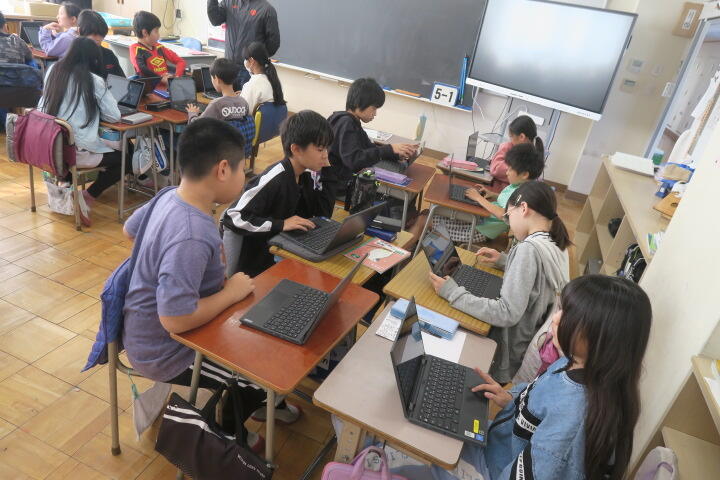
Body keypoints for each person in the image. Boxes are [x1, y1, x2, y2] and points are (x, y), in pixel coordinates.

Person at [122, 118, 300, 450]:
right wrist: (231, 292)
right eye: (243, 170)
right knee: (264, 378)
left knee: (260, 342)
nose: (245, 177)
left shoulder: (168, 195)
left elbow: (130, 230)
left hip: (150, 328)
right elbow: (174, 319)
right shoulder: (193, 233)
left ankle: (253, 406)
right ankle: (229, 433)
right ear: (222, 170)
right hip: (166, 351)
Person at [394, 274, 652, 480]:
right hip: (499, 444)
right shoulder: (574, 362)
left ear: (602, 339)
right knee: (430, 418)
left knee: (407, 443)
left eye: (569, 316)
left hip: (493, 469)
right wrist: (510, 399)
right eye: (561, 309)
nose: (556, 318)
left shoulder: (573, 416)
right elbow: (540, 395)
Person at [429, 181, 571, 384]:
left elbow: (506, 313)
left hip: (505, 351)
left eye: (508, 216)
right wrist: (506, 260)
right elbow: (538, 279)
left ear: (523, 208)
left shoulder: (528, 250)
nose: (509, 224)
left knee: (440, 320)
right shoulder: (556, 240)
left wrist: (452, 292)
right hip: (526, 337)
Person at [221, 110, 335, 277]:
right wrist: (280, 224)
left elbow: (323, 215)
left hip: (282, 252)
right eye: (320, 149)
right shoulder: (275, 178)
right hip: (258, 266)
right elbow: (233, 216)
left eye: (326, 148)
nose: (325, 155)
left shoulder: (306, 176)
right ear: (296, 149)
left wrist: (328, 172)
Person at [38, 37, 129, 227]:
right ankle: (87, 196)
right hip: (73, 151)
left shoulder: (53, 70)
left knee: (100, 144)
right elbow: (114, 116)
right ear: (93, 59)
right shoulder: (93, 80)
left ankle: (65, 186)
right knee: (125, 160)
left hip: (49, 145)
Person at [433, 142, 544, 245]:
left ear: (524, 174)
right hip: (481, 221)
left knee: (432, 219)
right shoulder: (518, 185)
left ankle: (438, 243)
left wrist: (479, 198)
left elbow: (503, 214)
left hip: (479, 231)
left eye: (510, 169)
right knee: (434, 214)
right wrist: (492, 194)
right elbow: (507, 201)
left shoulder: (521, 194)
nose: (506, 172)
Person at [326, 77, 417, 198]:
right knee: (402, 181)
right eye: (373, 108)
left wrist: (395, 153)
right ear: (359, 104)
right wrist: (389, 149)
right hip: (341, 184)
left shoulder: (351, 122)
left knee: (401, 169)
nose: (375, 113)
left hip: (346, 178)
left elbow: (369, 148)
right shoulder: (346, 123)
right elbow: (354, 160)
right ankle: (394, 208)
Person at [207, 0, 280, 90]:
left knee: (246, 99)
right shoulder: (228, 2)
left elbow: (273, 43)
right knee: (229, 99)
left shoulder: (266, 10)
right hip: (228, 68)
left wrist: (257, 59)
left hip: (249, 70)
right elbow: (215, 20)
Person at [487, 115, 545, 193]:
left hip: (506, 192)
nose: (510, 140)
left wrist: (504, 147)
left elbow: (496, 170)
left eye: (511, 137)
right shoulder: (535, 151)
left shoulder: (511, 148)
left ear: (521, 137)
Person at [130, 11, 186, 86]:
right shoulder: (135, 48)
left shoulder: (159, 47)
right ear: (145, 32)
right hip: (149, 90)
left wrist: (176, 77)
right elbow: (141, 69)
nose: (159, 35)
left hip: (166, 88)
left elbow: (180, 61)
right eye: (156, 31)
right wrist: (161, 78)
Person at [187, 58, 250, 123]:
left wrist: (192, 113)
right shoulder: (244, 102)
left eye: (212, 78)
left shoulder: (216, 104)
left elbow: (196, 125)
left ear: (217, 79)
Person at [239, 41, 284, 113]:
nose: (245, 62)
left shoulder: (252, 85)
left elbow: (243, 112)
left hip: (255, 120)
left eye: (246, 60)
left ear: (252, 61)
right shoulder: (273, 80)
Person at [77, 9, 124, 79]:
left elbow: (122, 80)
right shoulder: (74, 58)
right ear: (80, 31)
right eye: (94, 34)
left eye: (101, 34)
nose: (99, 38)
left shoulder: (109, 55)